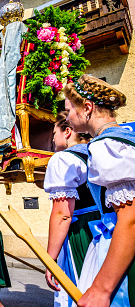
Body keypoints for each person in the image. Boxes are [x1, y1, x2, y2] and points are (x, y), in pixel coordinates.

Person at [63, 74, 135, 307]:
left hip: (121, 248)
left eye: (70, 109)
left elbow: (130, 218)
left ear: (87, 108)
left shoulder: (106, 146)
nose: (68, 117)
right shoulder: (126, 135)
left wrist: (102, 288)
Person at [43, 111, 97, 306]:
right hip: (106, 229)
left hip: (82, 233)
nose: (52, 138)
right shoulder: (96, 152)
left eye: (54, 133)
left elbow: (62, 214)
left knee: (80, 290)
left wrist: (50, 260)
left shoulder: (63, 159)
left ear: (67, 131)